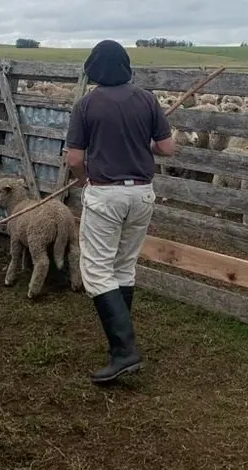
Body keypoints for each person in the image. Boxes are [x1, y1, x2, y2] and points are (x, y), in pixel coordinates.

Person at [64, 39, 177, 385]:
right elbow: (167, 149)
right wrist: (142, 140)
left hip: (105, 194)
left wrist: (85, 180)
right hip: (142, 195)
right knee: (123, 266)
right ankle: (119, 348)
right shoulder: (147, 99)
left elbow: (74, 159)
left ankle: (126, 351)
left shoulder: (86, 104)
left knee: (96, 270)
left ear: (94, 68)